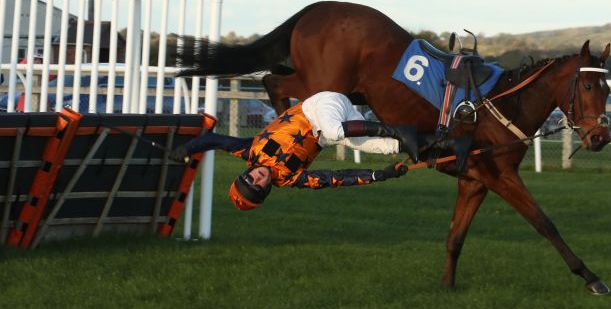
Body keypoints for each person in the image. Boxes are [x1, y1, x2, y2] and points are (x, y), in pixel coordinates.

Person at [171, 91, 423, 210]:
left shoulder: (250, 151)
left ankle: (400, 130)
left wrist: (186, 149)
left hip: (318, 107)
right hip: (331, 124)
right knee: (378, 147)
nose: (259, 178)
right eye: (259, 185)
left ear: (245, 173)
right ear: (266, 189)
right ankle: (427, 145)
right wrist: (379, 175)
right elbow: (335, 178)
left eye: (250, 178)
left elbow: (212, 140)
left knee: (335, 132)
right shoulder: (291, 178)